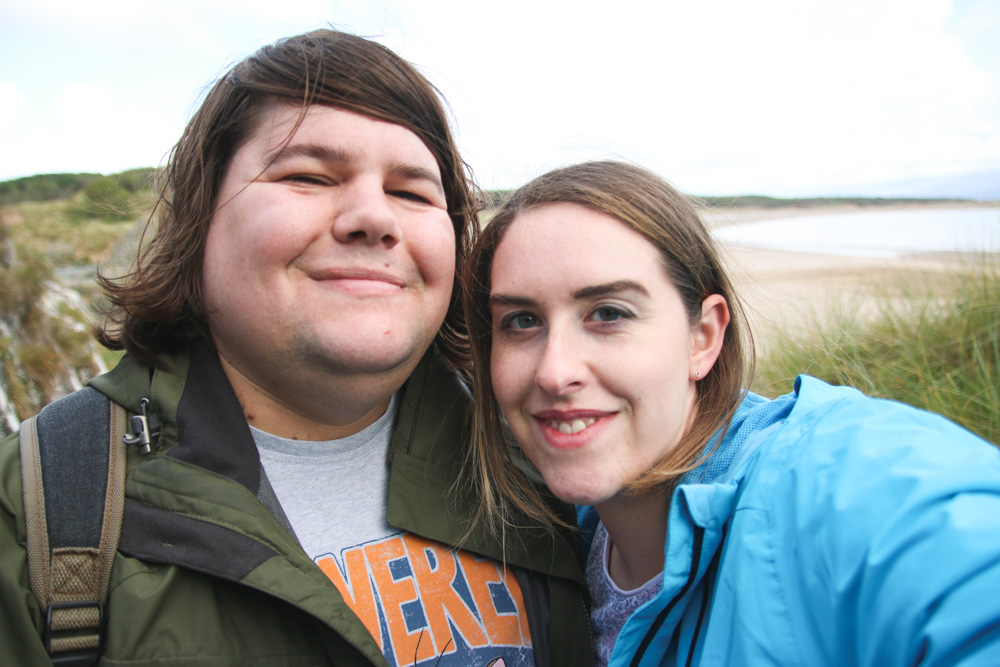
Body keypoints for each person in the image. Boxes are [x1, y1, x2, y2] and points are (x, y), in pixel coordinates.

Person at [0, 30, 590, 666]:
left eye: (412, 192)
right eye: (309, 176)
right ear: (200, 222)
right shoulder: (40, 509)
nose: (374, 217)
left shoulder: (549, 456)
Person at [462, 160, 1000, 666]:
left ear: (703, 337)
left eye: (608, 314)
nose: (555, 373)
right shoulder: (554, 541)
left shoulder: (821, 480)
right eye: (522, 321)